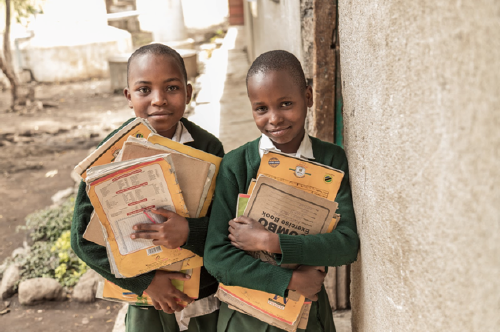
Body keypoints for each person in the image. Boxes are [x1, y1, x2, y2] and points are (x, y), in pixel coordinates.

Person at [71, 43, 224, 332]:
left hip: (201, 296)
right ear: (128, 96)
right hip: (144, 299)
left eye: (172, 88)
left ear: (188, 92)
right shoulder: (110, 153)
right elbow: (83, 239)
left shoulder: (208, 148)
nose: (159, 100)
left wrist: (191, 231)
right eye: (144, 90)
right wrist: (147, 282)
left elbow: (224, 222)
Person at [204, 50, 359, 332]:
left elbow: (346, 245)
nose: (274, 118)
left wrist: (271, 242)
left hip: (308, 315)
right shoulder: (236, 165)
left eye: (286, 104)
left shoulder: (331, 161)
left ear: (309, 97)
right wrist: (291, 281)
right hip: (245, 319)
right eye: (261, 108)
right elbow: (216, 257)